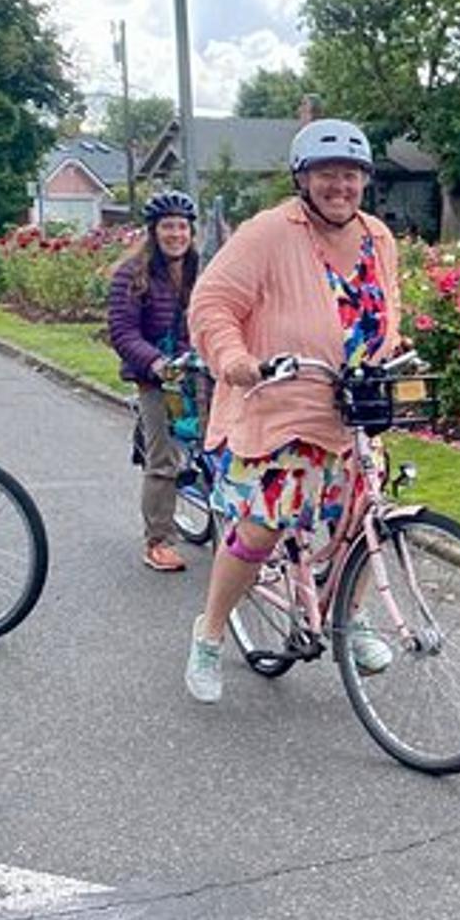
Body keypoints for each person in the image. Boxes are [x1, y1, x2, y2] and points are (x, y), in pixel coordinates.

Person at [182, 118, 404, 704]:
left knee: (366, 514)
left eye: (351, 175)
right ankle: (209, 634)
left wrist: (390, 348)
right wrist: (233, 359)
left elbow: (385, 304)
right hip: (283, 406)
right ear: (302, 179)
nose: (340, 186)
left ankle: (350, 617)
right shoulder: (268, 233)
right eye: (326, 174)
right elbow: (211, 304)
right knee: (262, 525)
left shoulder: (378, 237)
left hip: (354, 408)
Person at [108, 189, 202, 573]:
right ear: (153, 231)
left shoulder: (201, 271)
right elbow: (122, 331)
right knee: (162, 459)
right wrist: (156, 363)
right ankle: (158, 541)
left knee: (229, 446)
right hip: (156, 376)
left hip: (198, 369)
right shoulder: (132, 274)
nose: (176, 234)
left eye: (182, 227)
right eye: (168, 227)